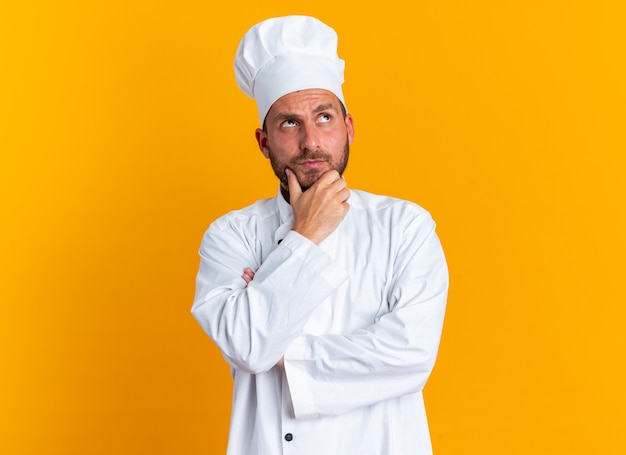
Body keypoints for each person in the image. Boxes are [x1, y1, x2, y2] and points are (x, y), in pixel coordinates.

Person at [192, 15, 448, 455]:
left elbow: (410, 355)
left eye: (324, 117)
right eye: (289, 124)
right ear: (263, 140)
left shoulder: (406, 227)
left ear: (348, 128)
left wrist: (281, 352)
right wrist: (306, 235)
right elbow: (250, 348)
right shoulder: (229, 235)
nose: (311, 141)